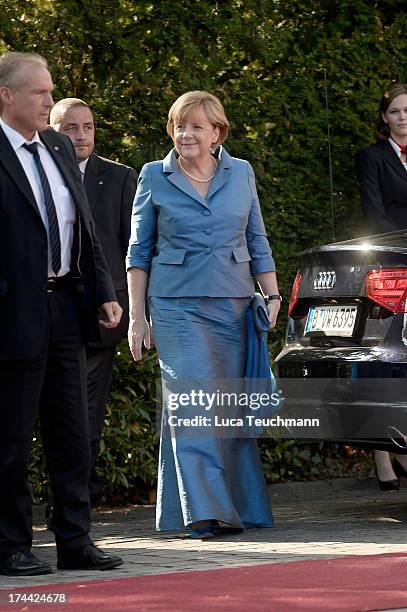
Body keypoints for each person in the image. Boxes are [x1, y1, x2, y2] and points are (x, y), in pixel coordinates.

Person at [127, 91, 281, 538]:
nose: (185, 134)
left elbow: (258, 239)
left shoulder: (241, 173)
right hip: (176, 307)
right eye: (179, 125)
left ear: (217, 133)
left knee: (227, 410)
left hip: (234, 305)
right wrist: (138, 317)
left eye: (196, 126)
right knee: (193, 405)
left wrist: (271, 298)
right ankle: (206, 513)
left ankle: (231, 506)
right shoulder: (154, 175)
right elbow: (138, 253)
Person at [0, 51, 123, 575]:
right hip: (11, 316)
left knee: (73, 433)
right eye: (40, 93)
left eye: (51, 91)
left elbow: (83, 226)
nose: (50, 101)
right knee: (9, 439)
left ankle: (76, 539)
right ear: (6, 95)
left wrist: (103, 290)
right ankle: (10, 545)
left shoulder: (54, 144)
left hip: (67, 310)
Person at [50, 98, 137, 507]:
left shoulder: (119, 177)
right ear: (52, 130)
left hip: (103, 313)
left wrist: (133, 308)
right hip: (49, 310)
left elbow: (132, 248)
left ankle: (76, 500)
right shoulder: (38, 172)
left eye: (87, 127)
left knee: (86, 412)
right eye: (71, 128)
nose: (82, 135)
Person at [356, 83, 407, 489]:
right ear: (384, 118)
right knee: (389, 357)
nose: (403, 117)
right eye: (395, 112)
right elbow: (374, 213)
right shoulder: (371, 157)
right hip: (392, 265)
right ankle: (382, 456)